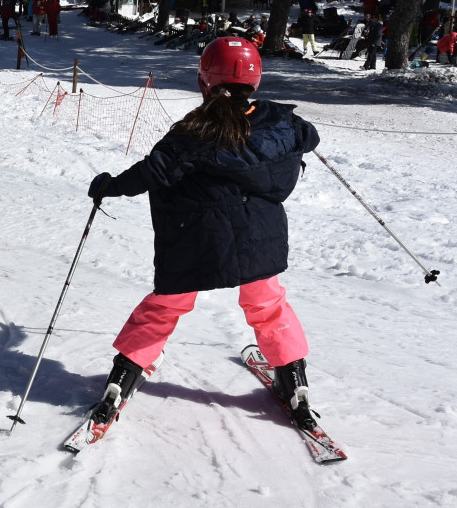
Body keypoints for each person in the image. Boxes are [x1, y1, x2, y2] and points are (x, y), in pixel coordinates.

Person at [84, 36, 321, 439]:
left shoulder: (195, 130)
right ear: (256, 79)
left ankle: (122, 378)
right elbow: (309, 137)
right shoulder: (283, 124)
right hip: (259, 238)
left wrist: (110, 186)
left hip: (195, 240)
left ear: (204, 80)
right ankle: (293, 379)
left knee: (165, 306)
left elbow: (153, 171)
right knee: (267, 303)